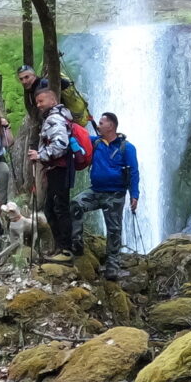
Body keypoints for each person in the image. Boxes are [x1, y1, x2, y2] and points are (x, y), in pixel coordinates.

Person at [71, 112, 140, 280]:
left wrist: (134, 194)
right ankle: (76, 244)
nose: (99, 126)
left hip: (115, 193)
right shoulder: (95, 143)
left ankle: (112, 267)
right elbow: (79, 136)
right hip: (95, 191)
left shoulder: (127, 147)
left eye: (101, 123)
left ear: (111, 125)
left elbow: (134, 172)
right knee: (75, 204)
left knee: (114, 230)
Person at [28, 89, 74, 263]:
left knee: (59, 208)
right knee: (52, 208)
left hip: (59, 170)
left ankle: (66, 250)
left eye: (41, 101)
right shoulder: (59, 116)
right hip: (58, 169)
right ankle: (60, 247)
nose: (38, 105)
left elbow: (61, 144)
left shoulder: (54, 118)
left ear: (53, 101)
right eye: (37, 102)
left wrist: (40, 155)